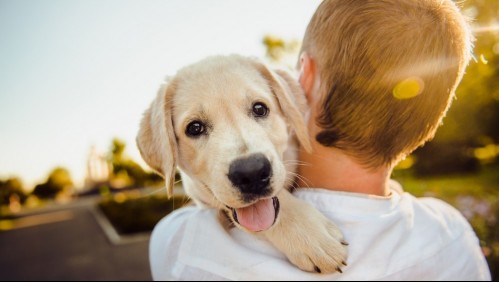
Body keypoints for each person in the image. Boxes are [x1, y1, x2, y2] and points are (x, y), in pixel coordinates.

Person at [149, 0, 491, 280]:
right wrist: (284, 216)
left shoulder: (182, 247)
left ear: (303, 80)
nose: (247, 158)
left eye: (258, 108)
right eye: (196, 128)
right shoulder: (453, 236)